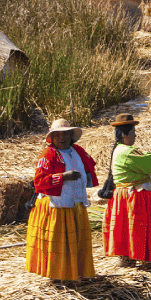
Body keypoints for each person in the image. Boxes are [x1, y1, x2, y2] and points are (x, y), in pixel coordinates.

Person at [25, 118, 98, 282]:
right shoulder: (48, 154)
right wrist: (62, 177)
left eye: (65, 134)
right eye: (57, 135)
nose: (61, 138)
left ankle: (74, 273)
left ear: (71, 135)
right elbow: (38, 182)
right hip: (56, 205)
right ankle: (57, 276)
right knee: (59, 243)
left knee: (75, 241)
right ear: (51, 138)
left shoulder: (78, 151)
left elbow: (89, 169)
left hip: (75, 204)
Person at [102, 114, 151, 266]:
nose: (135, 136)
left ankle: (130, 258)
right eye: (133, 133)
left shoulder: (122, 150)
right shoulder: (126, 152)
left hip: (128, 194)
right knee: (136, 227)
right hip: (132, 196)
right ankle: (136, 257)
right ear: (125, 135)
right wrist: (150, 158)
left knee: (129, 227)